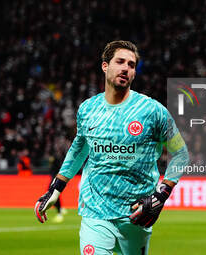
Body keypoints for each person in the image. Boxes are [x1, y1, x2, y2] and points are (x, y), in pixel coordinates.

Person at [34, 40, 189, 255]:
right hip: (95, 211)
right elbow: (79, 148)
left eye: (132, 65)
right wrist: (56, 187)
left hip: (136, 214)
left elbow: (181, 154)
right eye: (120, 62)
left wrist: (161, 195)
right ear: (105, 66)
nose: (126, 68)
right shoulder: (88, 109)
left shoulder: (153, 111)